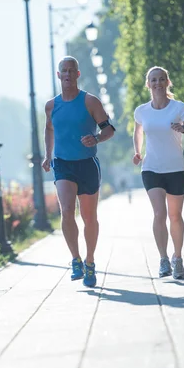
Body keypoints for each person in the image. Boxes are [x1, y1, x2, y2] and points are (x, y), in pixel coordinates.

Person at [42, 56, 115, 288]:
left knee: (89, 217)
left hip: (87, 164)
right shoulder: (51, 106)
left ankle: (90, 261)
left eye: (72, 70)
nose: (68, 74)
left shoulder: (90, 102)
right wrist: (47, 155)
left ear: (77, 74)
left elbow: (109, 129)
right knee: (66, 211)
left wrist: (95, 138)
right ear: (58, 75)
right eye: (64, 70)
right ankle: (76, 260)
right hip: (63, 164)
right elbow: (49, 129)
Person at [132, 66, 184, 279]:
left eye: (162, 79)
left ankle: (177, 258)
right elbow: (138, 132)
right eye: (154, 80)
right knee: (159, 214)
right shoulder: (141, 111)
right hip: (151, 168)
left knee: (175, 215)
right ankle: (163, 259)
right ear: (148, 84)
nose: (158, 83)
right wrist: (137, 152)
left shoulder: (179, 108)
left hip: (176, 169)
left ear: (167, 82)